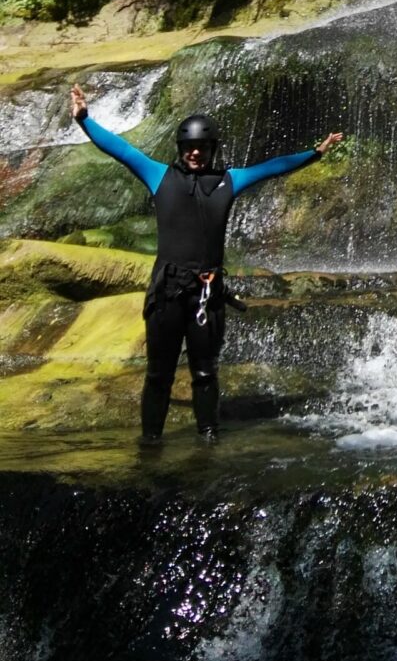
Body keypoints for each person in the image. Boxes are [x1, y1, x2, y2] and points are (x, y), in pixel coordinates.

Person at [69, 83, 343, 444]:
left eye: (202, 147)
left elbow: (271, 168)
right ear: (181, 150)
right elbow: (121, 149)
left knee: (205, 372)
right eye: (189, 148)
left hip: (207, 294)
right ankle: (151, 441)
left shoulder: (230, 180)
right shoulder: (158, 175)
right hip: (167, 292)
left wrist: (315, 153)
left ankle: (208, 439)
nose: (195, 153)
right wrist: (85, 120)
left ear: (212, 150)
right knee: (158, 375)